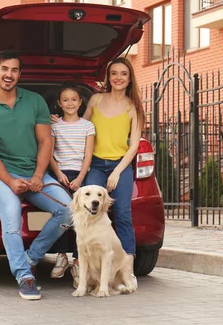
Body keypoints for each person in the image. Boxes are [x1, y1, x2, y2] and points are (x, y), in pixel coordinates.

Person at [0, 50, 72, 300]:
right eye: (4, 69)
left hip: (36, 172)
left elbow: (45, 140)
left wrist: (38, 175)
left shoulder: (34, 101)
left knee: (69, 209)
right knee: (12, 219)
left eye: (14, 70)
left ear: (19, 74)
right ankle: (24, 276)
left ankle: (30, 258)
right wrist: (11, 181)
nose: (9, 74)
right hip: (3, 175)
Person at [56, 57, 146, 289]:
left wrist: (116, 172)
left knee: (123, 215)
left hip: (120, 165)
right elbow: (79, 126)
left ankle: (128, 270)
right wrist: (56, 121)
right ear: (108, 77)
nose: (118, 77)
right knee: (87, 214)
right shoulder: (96, 99)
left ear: (129, 78)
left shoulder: (133, 106)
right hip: (95, 165)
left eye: (123, 74)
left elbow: (134, 145)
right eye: (114, 73)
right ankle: (80, 265)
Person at [48, 84, 95, 279]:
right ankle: (61, 256)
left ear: (80, 102)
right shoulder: (54, 125)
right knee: (61, 215)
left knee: (81, 219)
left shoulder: (87, 126)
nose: (70, 103)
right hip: (61, 174)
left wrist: (81, 178)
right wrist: (58, 174)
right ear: (59, 103)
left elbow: (88, 155)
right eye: (65, 100)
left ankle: (77, 260)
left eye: (74, 99)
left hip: (80, 174)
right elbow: (49, 154)